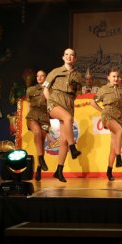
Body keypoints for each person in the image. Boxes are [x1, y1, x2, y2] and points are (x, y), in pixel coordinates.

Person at [43, 48, 83, 182]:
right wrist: (49, 101)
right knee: (68, 118)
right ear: (63, 57)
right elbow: (45, 88)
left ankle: (59, 170)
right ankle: (73, 148)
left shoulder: (78, 76)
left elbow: (77, 93)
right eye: (66, 54)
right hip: (54, 102)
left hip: (68, 104)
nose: (69, 56)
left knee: (64, 140)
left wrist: (70, 101)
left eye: (72, 55)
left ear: (75, 58)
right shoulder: (55, 71)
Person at [91, 67, 122, 181]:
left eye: (117, 76)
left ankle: (109, 171)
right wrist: (102, 111)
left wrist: (120, 110)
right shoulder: (103, 89)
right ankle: (119, 158)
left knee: (113, 146)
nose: (115, 78)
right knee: (119, 130)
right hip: (107, 116)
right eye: (113, 76)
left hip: (118, 117)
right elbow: (92, 102)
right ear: (108, 78)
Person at [25, 69, 50, 181]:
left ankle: (39, 167)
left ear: (46, 77)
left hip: (44, 118)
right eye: (37, 76)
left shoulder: (50, 90)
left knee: (41, 141)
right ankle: (41, 158)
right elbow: (29, 105)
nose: (39, 78)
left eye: (42, 76)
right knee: (37, 132)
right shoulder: (31, 89)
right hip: (33, 116)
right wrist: (27, 117)